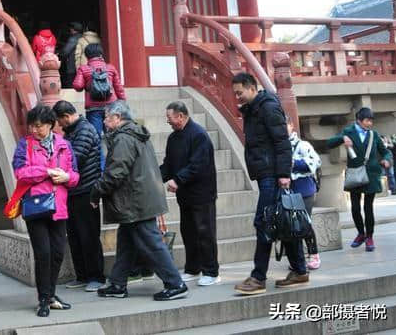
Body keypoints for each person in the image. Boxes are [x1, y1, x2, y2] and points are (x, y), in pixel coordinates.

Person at [90, 100, 188, 302]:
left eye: (107, 118)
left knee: (151, 243)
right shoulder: (133, 134)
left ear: (117, 118)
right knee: (126, 243)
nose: (105, 122)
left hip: (135, 201)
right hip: (137, 198)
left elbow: (116, 172)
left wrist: (96, 192)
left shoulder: (124, 138)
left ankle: (175, 283)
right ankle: (118, 284)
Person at [231, 72, 307, 295]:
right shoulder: (254, 109)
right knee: (283, 221)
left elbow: (282, 142)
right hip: (267, 174)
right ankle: (300, 270)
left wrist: (284, 173)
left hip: (273, 176)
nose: (237, 97)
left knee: (264, 222)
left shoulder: (268, 108)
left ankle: (258, 277)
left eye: (239, 92)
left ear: (251, 88)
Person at [12, 104, 79, 318]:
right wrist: (47, 171)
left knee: (58, 253)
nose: (34, 130)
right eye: (32, 126)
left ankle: (51, 295)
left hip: (58, 206)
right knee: (43, 254)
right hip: (36, 206)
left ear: (50, 125)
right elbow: (20, 172)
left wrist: (67, 178)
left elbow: (75, 174)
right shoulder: (25, 145)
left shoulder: (64, 145)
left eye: (38, 126)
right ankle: (43, 298)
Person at [160, 101, 219, 286]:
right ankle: (193, 268)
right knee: (189, 232)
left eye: (170, 118)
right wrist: (154, 177)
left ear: (180, 116)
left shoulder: (199, 135)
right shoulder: (173, 138)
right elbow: (168, 164)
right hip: (184, 195)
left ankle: (211, 271)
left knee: (205, 232)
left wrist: (178, 180)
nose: (168, 121)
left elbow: (198, 165)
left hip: (202, 193)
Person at [52, 100, 105, 292]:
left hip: (87, 190)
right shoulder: (73, 131)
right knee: (74, 235)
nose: (60, 126)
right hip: (73, 190)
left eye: (60, 122)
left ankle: (96, 276)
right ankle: (82, 275)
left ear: (66, 117)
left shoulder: (84, 130)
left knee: (89, 235)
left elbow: (75, 158)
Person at [327, 107, 392, 251]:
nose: (370, 123)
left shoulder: (374, 135)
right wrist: (342, 138)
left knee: (368, 208)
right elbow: (329, 143)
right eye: (367, 120)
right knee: (355, 208)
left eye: (371, 121)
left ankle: (369, 237)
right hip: (355, 175)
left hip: (371, 175)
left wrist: (387, 160)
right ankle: (361, 234)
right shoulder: (348, 132)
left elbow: (385, 152)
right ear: (359, 120)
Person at [72, 43, 126, 141]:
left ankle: (99, 156)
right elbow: (118, 87)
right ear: (101, 54)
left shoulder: (84, 69)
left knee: (95, 138)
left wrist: (88, 84)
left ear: (87, 55)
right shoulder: (110, 68)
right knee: (113, 136)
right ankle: (115, 155)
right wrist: (122, 101)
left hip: (93, 108)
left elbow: (77, 86)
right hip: (111, 107)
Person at [287, 120, 321, 270]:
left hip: (305, 189)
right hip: (288, 191)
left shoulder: (303, 145)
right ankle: (298, 258)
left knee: (304, 223)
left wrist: (294, 163)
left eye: (285, 125)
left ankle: (313, 254)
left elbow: (315, 162)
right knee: (291, 226)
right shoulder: (279, 146)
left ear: (291, 125)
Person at [60, 22, 83, 88]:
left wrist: (59, 54)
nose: (70, 30)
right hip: (81, 65)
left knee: (71, 85)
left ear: (74, 29)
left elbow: (65, 51)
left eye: (71, 28)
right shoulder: (82, 37)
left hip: (72, 65)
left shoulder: (73, 39)